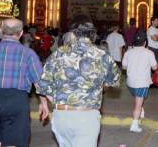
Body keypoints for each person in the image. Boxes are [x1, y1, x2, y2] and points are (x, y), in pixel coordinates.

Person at [38, 15, 120, 147]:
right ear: (92, 32)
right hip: (86, 117)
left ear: (72, 32)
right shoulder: (102, 55)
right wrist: (97, 88)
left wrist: (60, 101)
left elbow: (42, 85)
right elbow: (113, 81)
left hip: (61, 116)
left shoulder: (58, 53)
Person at [0, 18, 49, 147]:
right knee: (14, 141)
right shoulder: (28, 53)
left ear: (1, 31)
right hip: (16, 101)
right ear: (21, 33)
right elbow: (39, 82)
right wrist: (44, 103)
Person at [122, 32, 157, 132]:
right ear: (145, 42)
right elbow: (155, 67)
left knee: (138, 99)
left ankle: (140, 110)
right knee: (138, 104)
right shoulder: (149, 53)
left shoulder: (128, 52)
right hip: (142, 83)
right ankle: (134, 124)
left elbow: (124, 67)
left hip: (130, 83)